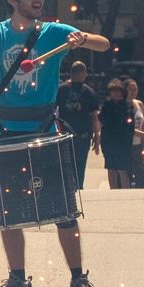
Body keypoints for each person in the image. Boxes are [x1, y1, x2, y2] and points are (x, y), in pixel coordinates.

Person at [0, 0, 111, 287]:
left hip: (44, 130)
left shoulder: (54, 31)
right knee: (8, 210)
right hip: (6, 131)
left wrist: (81, 40)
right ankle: (18, 280)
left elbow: (104, 44)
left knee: (64, 210)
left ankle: (77, 280)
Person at [56, 59, 100, 191]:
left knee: (69, 164)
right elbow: (95, 118)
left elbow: (54, 113)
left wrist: (97, 137)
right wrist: (97, 138)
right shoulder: (88, 91)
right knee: (78, 164)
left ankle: (73, 188)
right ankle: (77, 188)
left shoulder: (61, 89)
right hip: (79, 134)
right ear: (81, 73)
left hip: (71, 134)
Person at [98, 79, 137, 188]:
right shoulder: (107, 105)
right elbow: (101, 119)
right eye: (113, 91)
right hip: (109, 140)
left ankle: (125, 191)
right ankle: (113, 190)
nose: (115, 93)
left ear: (122, 92)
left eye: (118, 90)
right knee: (111, 167)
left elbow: (130, 125)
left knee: (122, 168)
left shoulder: (128, 105)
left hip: (123, 141)